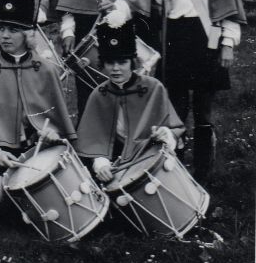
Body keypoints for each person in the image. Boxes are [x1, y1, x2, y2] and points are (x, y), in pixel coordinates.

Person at [151, 0, 246, 181]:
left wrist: (228, 44)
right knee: (176, 109)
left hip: (207, 41)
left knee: (203, 111)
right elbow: (159, 8)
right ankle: (176, 170)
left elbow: (229, 6)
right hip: (176, 41)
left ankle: (203, 173)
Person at [0, 0, 75, 208]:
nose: (4, 35)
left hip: (35, 147)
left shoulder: (46, 70)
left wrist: (52, 135)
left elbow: (56, 120)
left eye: (13, 30)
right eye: (0, 28)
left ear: (28, 34)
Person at [75, 18, 184, 184]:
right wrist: (101, 164)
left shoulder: (153, 87)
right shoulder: (99, 94)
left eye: (122, 62)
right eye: (110, 62)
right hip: (115, 160)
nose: (116, 68)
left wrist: (165, 133)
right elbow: (93, 138)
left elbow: (173, 127)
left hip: (150, 157)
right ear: (102, 64)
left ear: (133, 62)